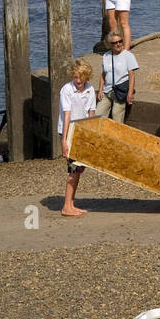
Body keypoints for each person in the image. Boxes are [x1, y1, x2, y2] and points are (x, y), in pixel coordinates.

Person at [59, 59, 97, 215]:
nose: (78, 80)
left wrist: (91, 136)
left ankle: (71, 204)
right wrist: (64, 140)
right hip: (68, 131)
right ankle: (66, 207)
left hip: (81, 132)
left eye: (81, 77)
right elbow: (67, 114)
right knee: (73, 169)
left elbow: (91, 114)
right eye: (75, 77)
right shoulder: (66, 90)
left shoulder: (90, 89)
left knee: (79, 169)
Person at [96, 31, 138, 124]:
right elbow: (103, 74)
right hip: (107, 90)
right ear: (110, 44)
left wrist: (130, 93)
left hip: (121, 91)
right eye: (115, 42)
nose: (118, 44)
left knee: (116, 114)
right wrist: (100, 90)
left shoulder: (128, 55)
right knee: (97, 114)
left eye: (120, 41)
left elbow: (132, 75)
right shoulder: (106, 55)